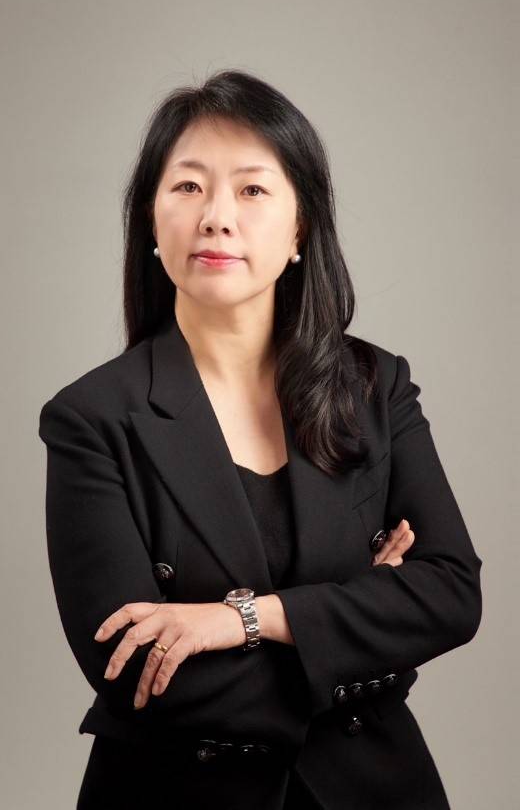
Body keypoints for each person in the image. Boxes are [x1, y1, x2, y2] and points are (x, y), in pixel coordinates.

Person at [38, 69, 483, 809]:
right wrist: (363, 627)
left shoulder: (374, 385)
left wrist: (241, 619)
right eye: (188, 186)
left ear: (300, 227)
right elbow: (139, 671)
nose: (217, 217)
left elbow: (452, 594)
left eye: (252, 189)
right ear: (151, 219)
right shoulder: (92, 417)